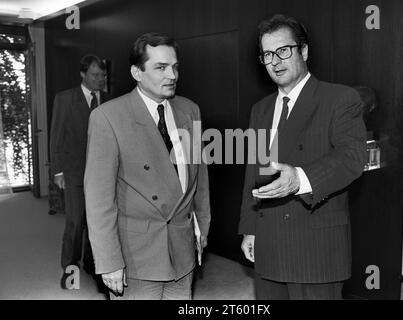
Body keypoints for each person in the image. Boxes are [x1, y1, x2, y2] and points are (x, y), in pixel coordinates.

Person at [238, 14, 367, 300]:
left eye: (284, 51)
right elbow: (254, 171)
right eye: (267, 54)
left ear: (304, 51)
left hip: (315, 249)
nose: (275, 61)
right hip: (268, 244)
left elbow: (353, 156)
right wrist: (249, 228)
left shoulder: (340, 98)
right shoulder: (260, 109)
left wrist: (301, 178)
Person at [84, 33, 211, 300]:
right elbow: (99, 201)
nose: (172, 75)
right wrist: (109, 261)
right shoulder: (107, 117)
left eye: (175, 67)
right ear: (136, 72)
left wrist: (202, 228)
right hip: (136, 257)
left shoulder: (190, 110)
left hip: (183, 249)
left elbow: (199, 180)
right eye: (161, 67)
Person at [49, 54, 110, 290]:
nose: (100, 79)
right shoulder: (65, 99)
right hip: (74, 172)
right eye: (95, 75)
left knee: (97, 222)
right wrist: (58, 172)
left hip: (101, 173)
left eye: (102, 75)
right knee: (75, 223)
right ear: (83, 74)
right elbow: (56, 137)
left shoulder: (107, 100)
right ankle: (70, 267)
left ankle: (91, 263)